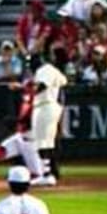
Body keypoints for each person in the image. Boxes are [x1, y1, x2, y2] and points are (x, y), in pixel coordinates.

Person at [28, 48, 70, 185]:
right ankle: (50, 172)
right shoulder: (53, 70)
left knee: (42, 141)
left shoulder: (44, 70)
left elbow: (41, 86)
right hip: (51, 105)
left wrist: (26, 88)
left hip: (45, 105)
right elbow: (64, 81)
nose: (30, 66)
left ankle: (46, 174)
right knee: (48, 141)